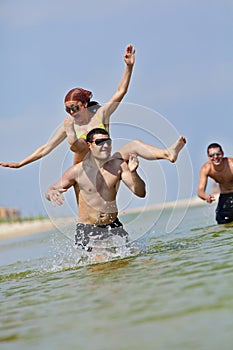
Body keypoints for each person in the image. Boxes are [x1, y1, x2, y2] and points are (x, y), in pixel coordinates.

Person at [0, 43, 186, 169]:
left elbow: (121, 91)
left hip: (104, 161)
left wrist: (128, 67)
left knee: (135, 145)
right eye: (68, 109)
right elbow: (46, 148)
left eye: (75, 108)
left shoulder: (101, 114)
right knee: (79, 145)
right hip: (83, 168)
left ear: (85, 104)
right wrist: (20, 163)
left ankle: (168, 153)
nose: (72, 113)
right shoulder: (69, 124)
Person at [46, 128, 146, 254]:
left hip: (113, 225)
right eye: (99, 142)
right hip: (88, 229)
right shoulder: (77, 171)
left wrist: (134, 172)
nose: (105, 145)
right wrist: (52, 193)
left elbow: (140, 193)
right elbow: (51, 189)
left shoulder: (119, 167)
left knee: (130, 260)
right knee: (100, 264)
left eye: (108, 142)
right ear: (90, 146)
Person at [197, 143, 233, 224]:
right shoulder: (206, 169)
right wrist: (205, 196)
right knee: (222, 224)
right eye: (212, 155)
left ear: (222, 154)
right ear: (208, 157)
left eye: (218, 154)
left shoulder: (231, 164)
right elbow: (200, 191)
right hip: (224, 197)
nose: (215, 157)